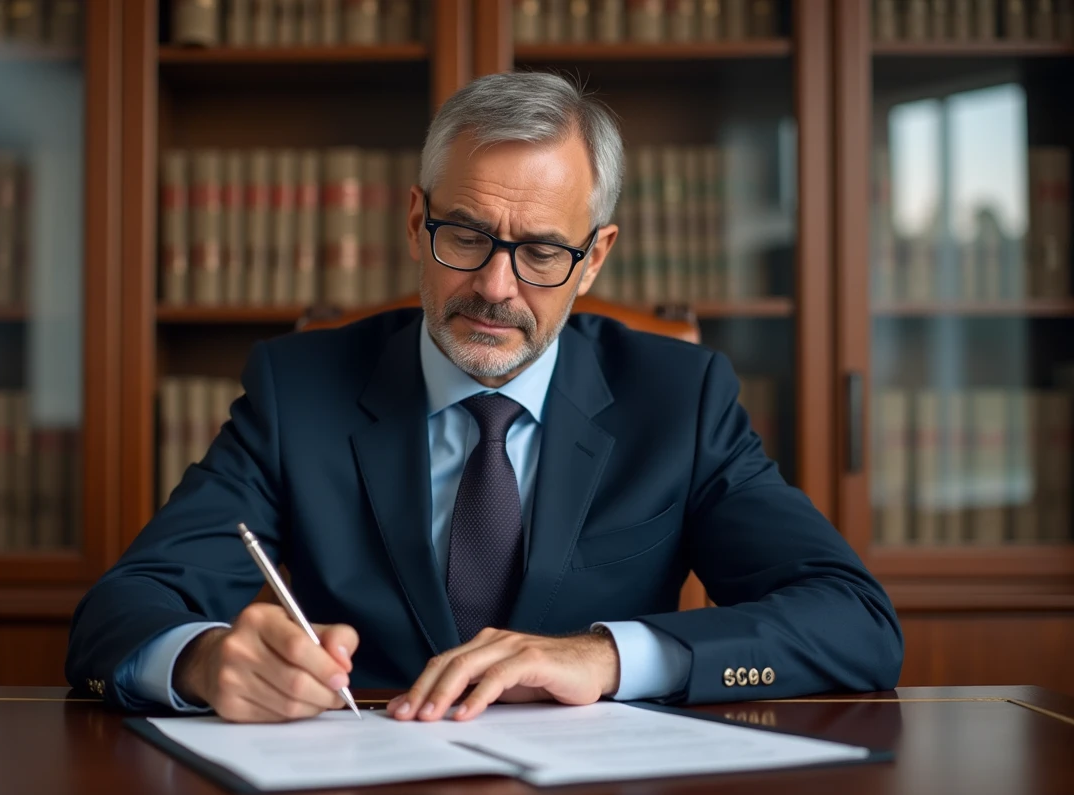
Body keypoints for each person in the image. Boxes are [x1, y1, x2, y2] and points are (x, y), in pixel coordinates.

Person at [66, 71, 903, 723]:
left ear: (596, 256)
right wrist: (205, 661)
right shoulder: (299, 391)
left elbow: (855, 621)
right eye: (465, 235)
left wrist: (608, 657)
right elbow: (119, 613)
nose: (496, 287)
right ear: (414, 222)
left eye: (542, 250)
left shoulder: (679, 399)